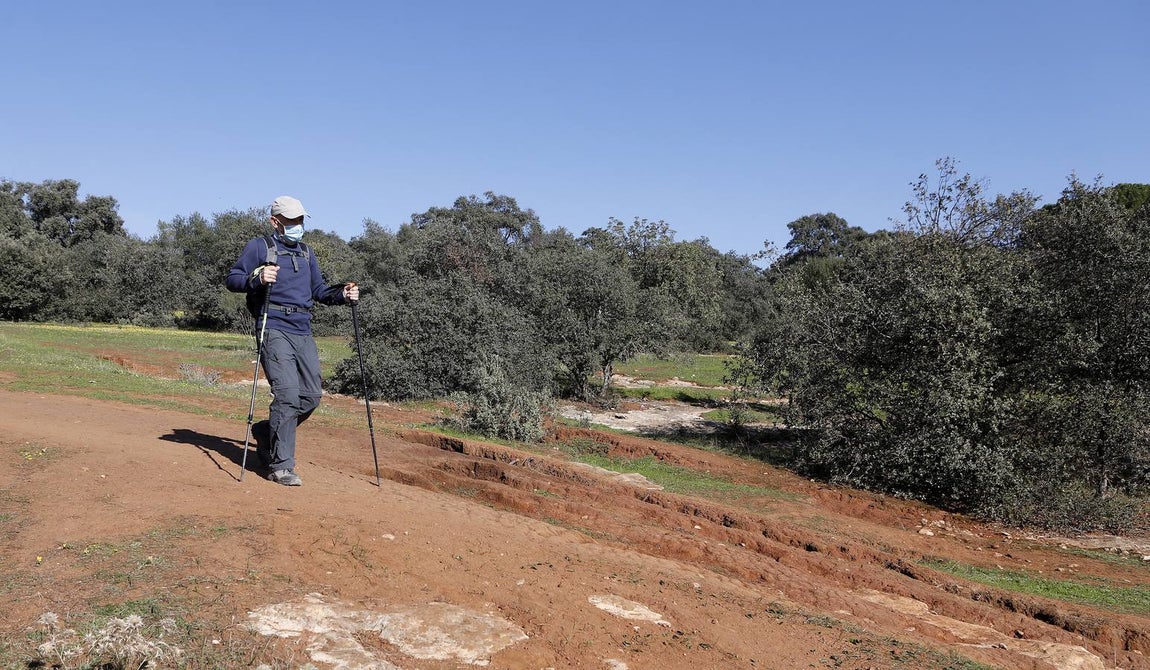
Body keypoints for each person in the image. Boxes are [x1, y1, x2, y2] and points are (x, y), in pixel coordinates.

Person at [226, 195, 359, 486]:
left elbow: (320, 291)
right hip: (272, 327)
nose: (297, 225)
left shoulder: (307, 253)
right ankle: (280, 466)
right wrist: (257, 278)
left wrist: (343, 295)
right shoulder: (259, 246)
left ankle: (265, 431)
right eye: (291, 221)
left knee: (311, 396)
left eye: (300, 220)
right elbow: (233, 278)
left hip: (302, 329)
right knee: (286, 394)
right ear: (276, 222)